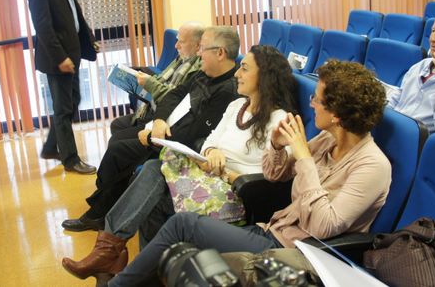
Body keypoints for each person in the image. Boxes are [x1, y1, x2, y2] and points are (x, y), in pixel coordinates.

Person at [103, 60, 391, 286]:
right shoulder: (328, 140)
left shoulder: (372, 166)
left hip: (299, 253)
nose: (311, 104)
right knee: (181, 248)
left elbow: (323, 227)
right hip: (273, 231)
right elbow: (276, 175)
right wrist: (277, 146)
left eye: (317, 99)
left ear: (336, 114)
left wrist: (303, 157)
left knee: (183, 226)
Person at [61, 45, 297, 281]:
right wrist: (212, 151)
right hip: (206, 179)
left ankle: (111, 254)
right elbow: (210, 139)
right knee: (153, 178)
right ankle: (132, 264)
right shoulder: (237, 106)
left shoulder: (280, 120)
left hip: (234, 194)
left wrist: (227, 172)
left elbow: (276, 173)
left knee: (152, 175)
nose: (237, 73)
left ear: (265, 76)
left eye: (244, 68)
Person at [61, 26, 240, 232]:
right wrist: (159, 121)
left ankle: (97, 212)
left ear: (220, 53)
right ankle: (103, 206)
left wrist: (151, 139)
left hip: (177, 146)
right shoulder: (205, 73)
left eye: (203, 48)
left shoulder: (227, 91)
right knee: (118, 143)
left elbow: (195, 134)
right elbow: (174, 94)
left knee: (118, 152)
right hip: (165, 130)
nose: (199, 54)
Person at [27, 0, 99, 174]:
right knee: (64, 108)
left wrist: (88, 39)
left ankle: (50, 147)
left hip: (72, 52)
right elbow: (43, 27)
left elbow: (74, 11)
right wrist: (61, 58)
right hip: (58, 59)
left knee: (73, 100)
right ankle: (70, 159)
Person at [109, 22, 204, 142]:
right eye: (177, 40)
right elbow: (162, 80)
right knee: (117, 125)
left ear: (198, 45)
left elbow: (175, 99)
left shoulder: (199, 69)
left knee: (117, 140)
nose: (176, 46)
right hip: (153, 106)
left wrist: (149, 83)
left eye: (182, 42)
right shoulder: (182, 58)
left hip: (166, 115)